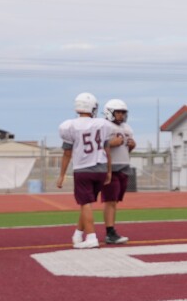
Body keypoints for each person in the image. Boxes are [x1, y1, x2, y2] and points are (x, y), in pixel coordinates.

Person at [56, 93, 121, 249]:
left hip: (83, 169)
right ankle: (78, 233)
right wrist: (109, 171)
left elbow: (67, 153)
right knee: (87, 204)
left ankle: (91, 237)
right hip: (100, 168)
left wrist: (62, 174)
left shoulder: (69, 126)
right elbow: (107, 149)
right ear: (93, 107)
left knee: (85, 203)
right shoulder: (102, 124)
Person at [101, 99, 135, 245]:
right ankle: (110, 232)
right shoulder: (104, 126)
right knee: (110, 201)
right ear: (110, 112)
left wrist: (132, 146)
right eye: (118, 112)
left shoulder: (127, 127)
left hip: (124, 167)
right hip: (111, 167)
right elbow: (96, 147)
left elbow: (126, 149)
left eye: (123, 112)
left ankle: (112, 230)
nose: (121, 115)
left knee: (115, 201)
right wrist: (109, 144)